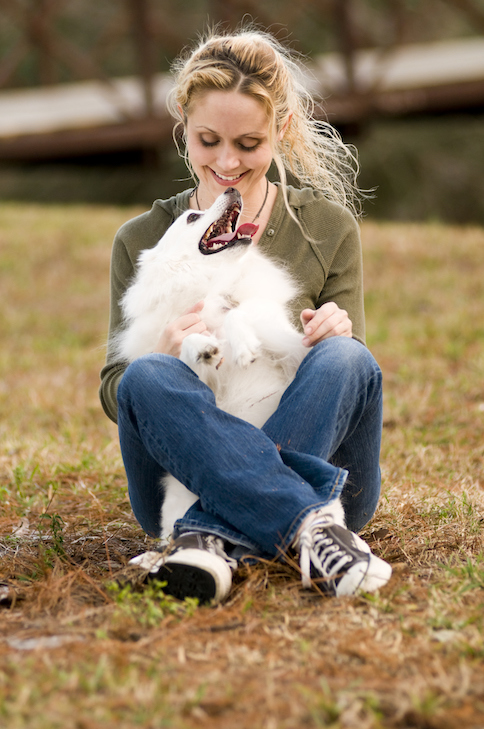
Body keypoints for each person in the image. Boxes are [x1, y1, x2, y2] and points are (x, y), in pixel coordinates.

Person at [99, 26, 392, 604]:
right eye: (208, 140)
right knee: (147, 375)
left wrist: (333, 332)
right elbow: (118, 395)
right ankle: (308, 528)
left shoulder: (329, 229)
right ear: (182, 125)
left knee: (346, 357)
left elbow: (341, 385)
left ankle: (207, 539)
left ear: (280, 131)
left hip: (325, 468)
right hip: (181, 481)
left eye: (249, 144)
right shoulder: (143, 240)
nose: (227, 162)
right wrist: (161, 353)